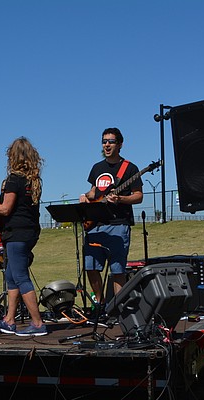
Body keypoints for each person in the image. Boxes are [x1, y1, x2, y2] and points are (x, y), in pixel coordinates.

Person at [0, 136, 47, 336]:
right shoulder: (33, 180)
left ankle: (38, 323)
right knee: (12, 276)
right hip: (28, 231)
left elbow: (5, 209)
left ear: (13, 157)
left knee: (21, 277)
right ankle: (9, 320)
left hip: (17, 234)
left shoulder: (14, 179)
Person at [79, 127, 144, 308]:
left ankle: (119, 308)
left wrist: (121, 199)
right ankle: (100, 304)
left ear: (120, 144)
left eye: (111, 141)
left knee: (117, 270)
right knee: (91, 266)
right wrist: (85, 196)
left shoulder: (130, 168)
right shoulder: (97, 168)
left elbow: (138, 196)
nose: (107, 145)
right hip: (95, 225)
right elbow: (94, 192)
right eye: (104, 141)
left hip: (118, 224)